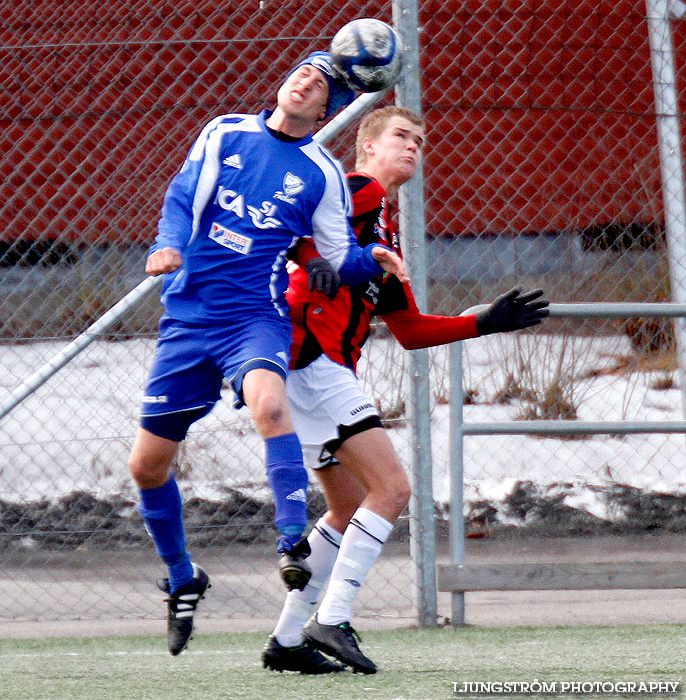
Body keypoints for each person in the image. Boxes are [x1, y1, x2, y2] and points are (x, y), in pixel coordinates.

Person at [128, 54, 410, 658]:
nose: (305, 81)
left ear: (328, 110)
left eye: (320, 84)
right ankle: (182, 578)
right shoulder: (225, 130)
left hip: (255, 319)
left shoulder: (320, 174)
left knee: (270, 406)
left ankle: (289, 542)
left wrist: (372, 261)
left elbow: (332, 256)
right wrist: (168, 245)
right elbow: (183, 195)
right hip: (187, 319)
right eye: (302, 72)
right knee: (146, 468)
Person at [262, 106, 549, 674]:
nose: (414, 146)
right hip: (311, 357)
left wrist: (483, 321)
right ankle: (333, 617)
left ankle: (289, 641)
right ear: (367, 145)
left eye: (420, 140)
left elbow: (411, 330)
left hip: (310, 368)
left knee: (347, 508)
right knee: (392, 490)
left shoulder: (384, 230)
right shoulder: (355, 191)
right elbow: (287, 223)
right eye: (401, 136)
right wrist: (312, 261)